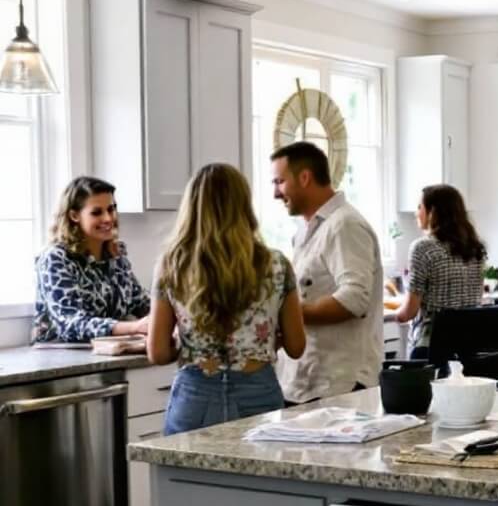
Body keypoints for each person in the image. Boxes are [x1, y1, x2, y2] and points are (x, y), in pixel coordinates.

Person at [148, 163, 305, 434]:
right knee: (258, 477)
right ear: (244, 206)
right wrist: (265, 341)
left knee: (186, 477)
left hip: (194, 395)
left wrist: (187, 341)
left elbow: (158, 352)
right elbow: (296, 346)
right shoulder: (276, 265)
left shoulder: (172, 265)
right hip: (258, 392)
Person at [270, 140, 384, 402]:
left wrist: (289, 314)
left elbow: (354, 300)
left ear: (305, 177)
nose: (276, 193)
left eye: (280, 182)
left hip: (337, 383)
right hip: (308, 380)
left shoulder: (344, 226)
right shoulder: (307, 231)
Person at [33, 176, 150, 343]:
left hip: (107, 350)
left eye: (111, 209)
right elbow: (71, 324)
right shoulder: (55, 258)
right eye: (97, 212)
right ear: (74, 215)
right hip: (60, 356)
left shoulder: (116, 254)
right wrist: (135, 327)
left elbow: (140, 302)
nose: (108, 218)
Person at [393, 183, 486, 351]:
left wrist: (391, 316)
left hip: (430, 347)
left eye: (420, 207)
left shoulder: (423, 247)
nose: (416, 212)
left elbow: (409, 312)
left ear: (433, 212)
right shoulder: (475, 248)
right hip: (470, 346)